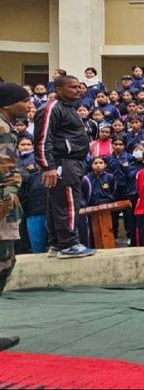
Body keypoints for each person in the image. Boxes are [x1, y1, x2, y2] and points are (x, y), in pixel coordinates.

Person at [32, 75, 96, 258]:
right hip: (62, 163)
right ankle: (69, 245)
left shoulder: (68, 107)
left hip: (72, 163)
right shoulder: (51, 108)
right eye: (72, 87)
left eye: (79, 86)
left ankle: (57, 244)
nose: (78, 90)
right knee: (68, 203)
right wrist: (48, 167)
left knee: (57, 204)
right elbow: (43, 139)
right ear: (59, 90)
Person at [0, 82, 32, 351]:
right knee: (3, 263)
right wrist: (9, 190)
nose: (29, 104)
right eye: (25, 100)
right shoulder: (2, 128)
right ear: (8, 103)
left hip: (6, 202)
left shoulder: (7, 126)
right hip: (2, 204)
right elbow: (5, 169)